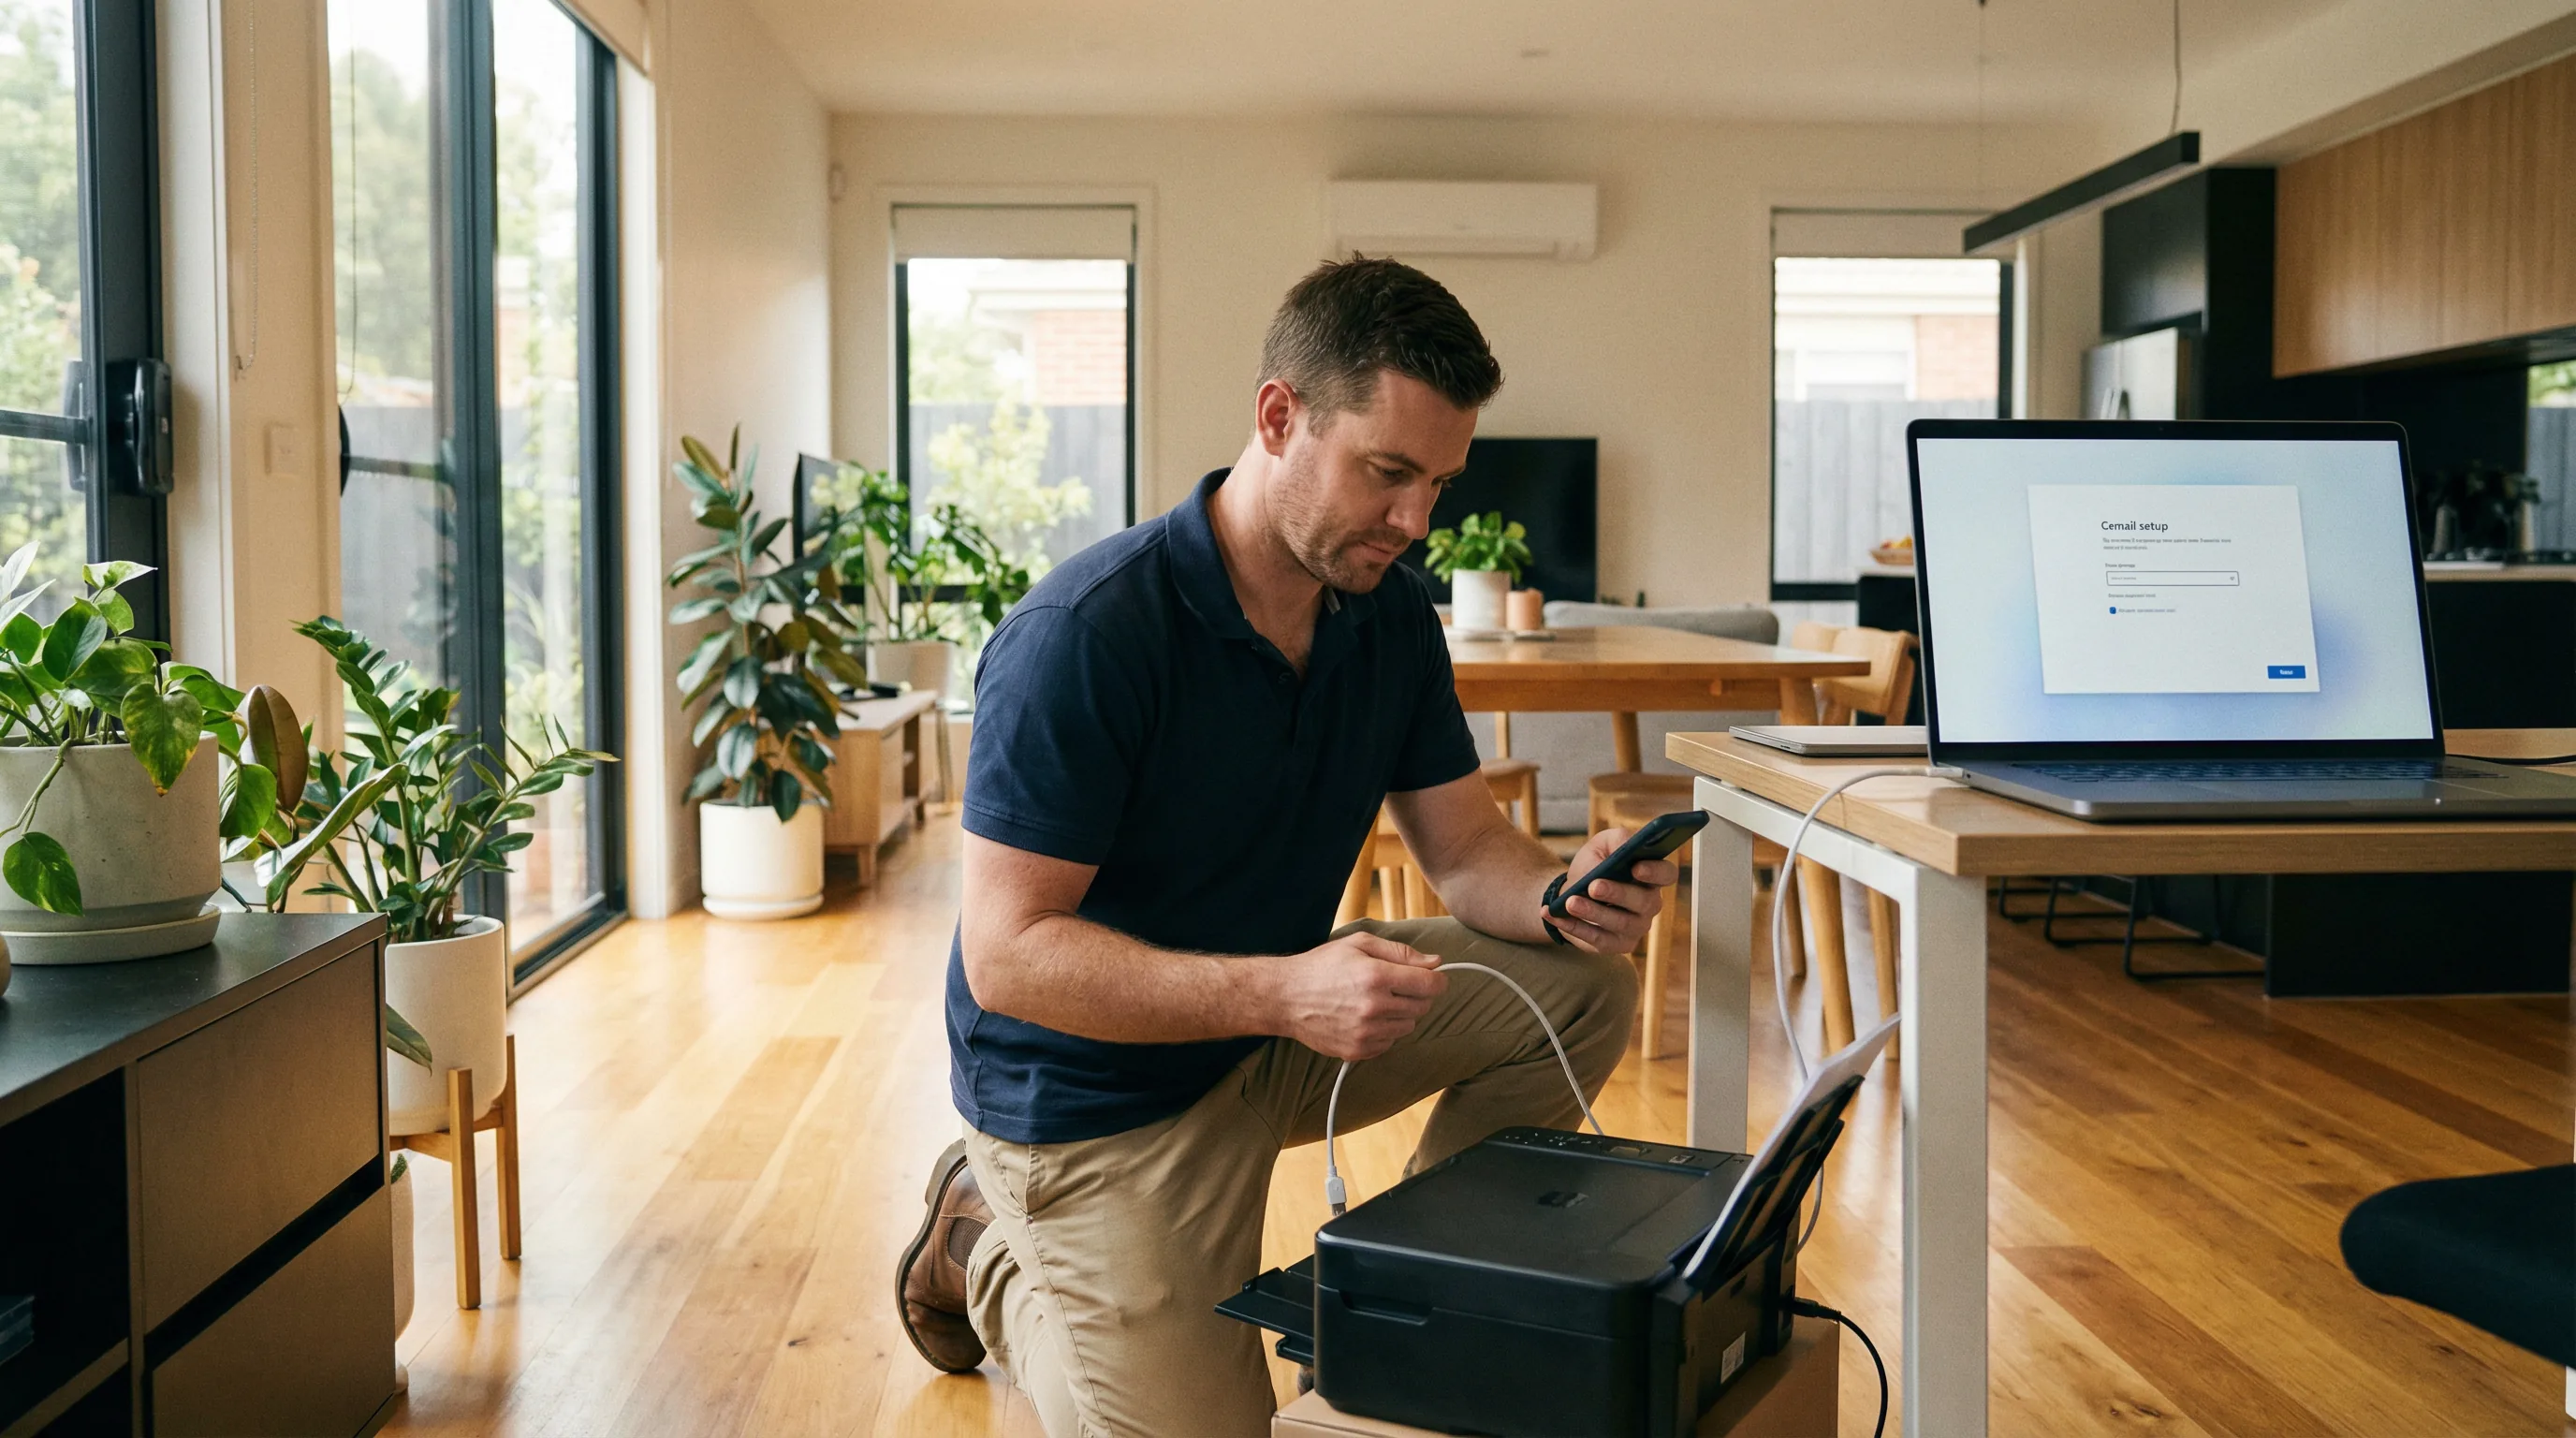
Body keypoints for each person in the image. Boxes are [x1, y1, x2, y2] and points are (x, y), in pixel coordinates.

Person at [895, 257, 1677, 1437]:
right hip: (1090, 1101)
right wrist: (1280, 992)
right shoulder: (1086, 635)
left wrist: (1566, 894)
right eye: (1389, 473)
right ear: (1279, 418)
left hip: (1265, 1035)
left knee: (1577, 990)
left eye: (1440, 483)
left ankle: (1404, 1294)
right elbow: (1007, 958)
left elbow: (1468, 853)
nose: (1416, 523)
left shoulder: (1388, 619)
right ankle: (989, 1251)